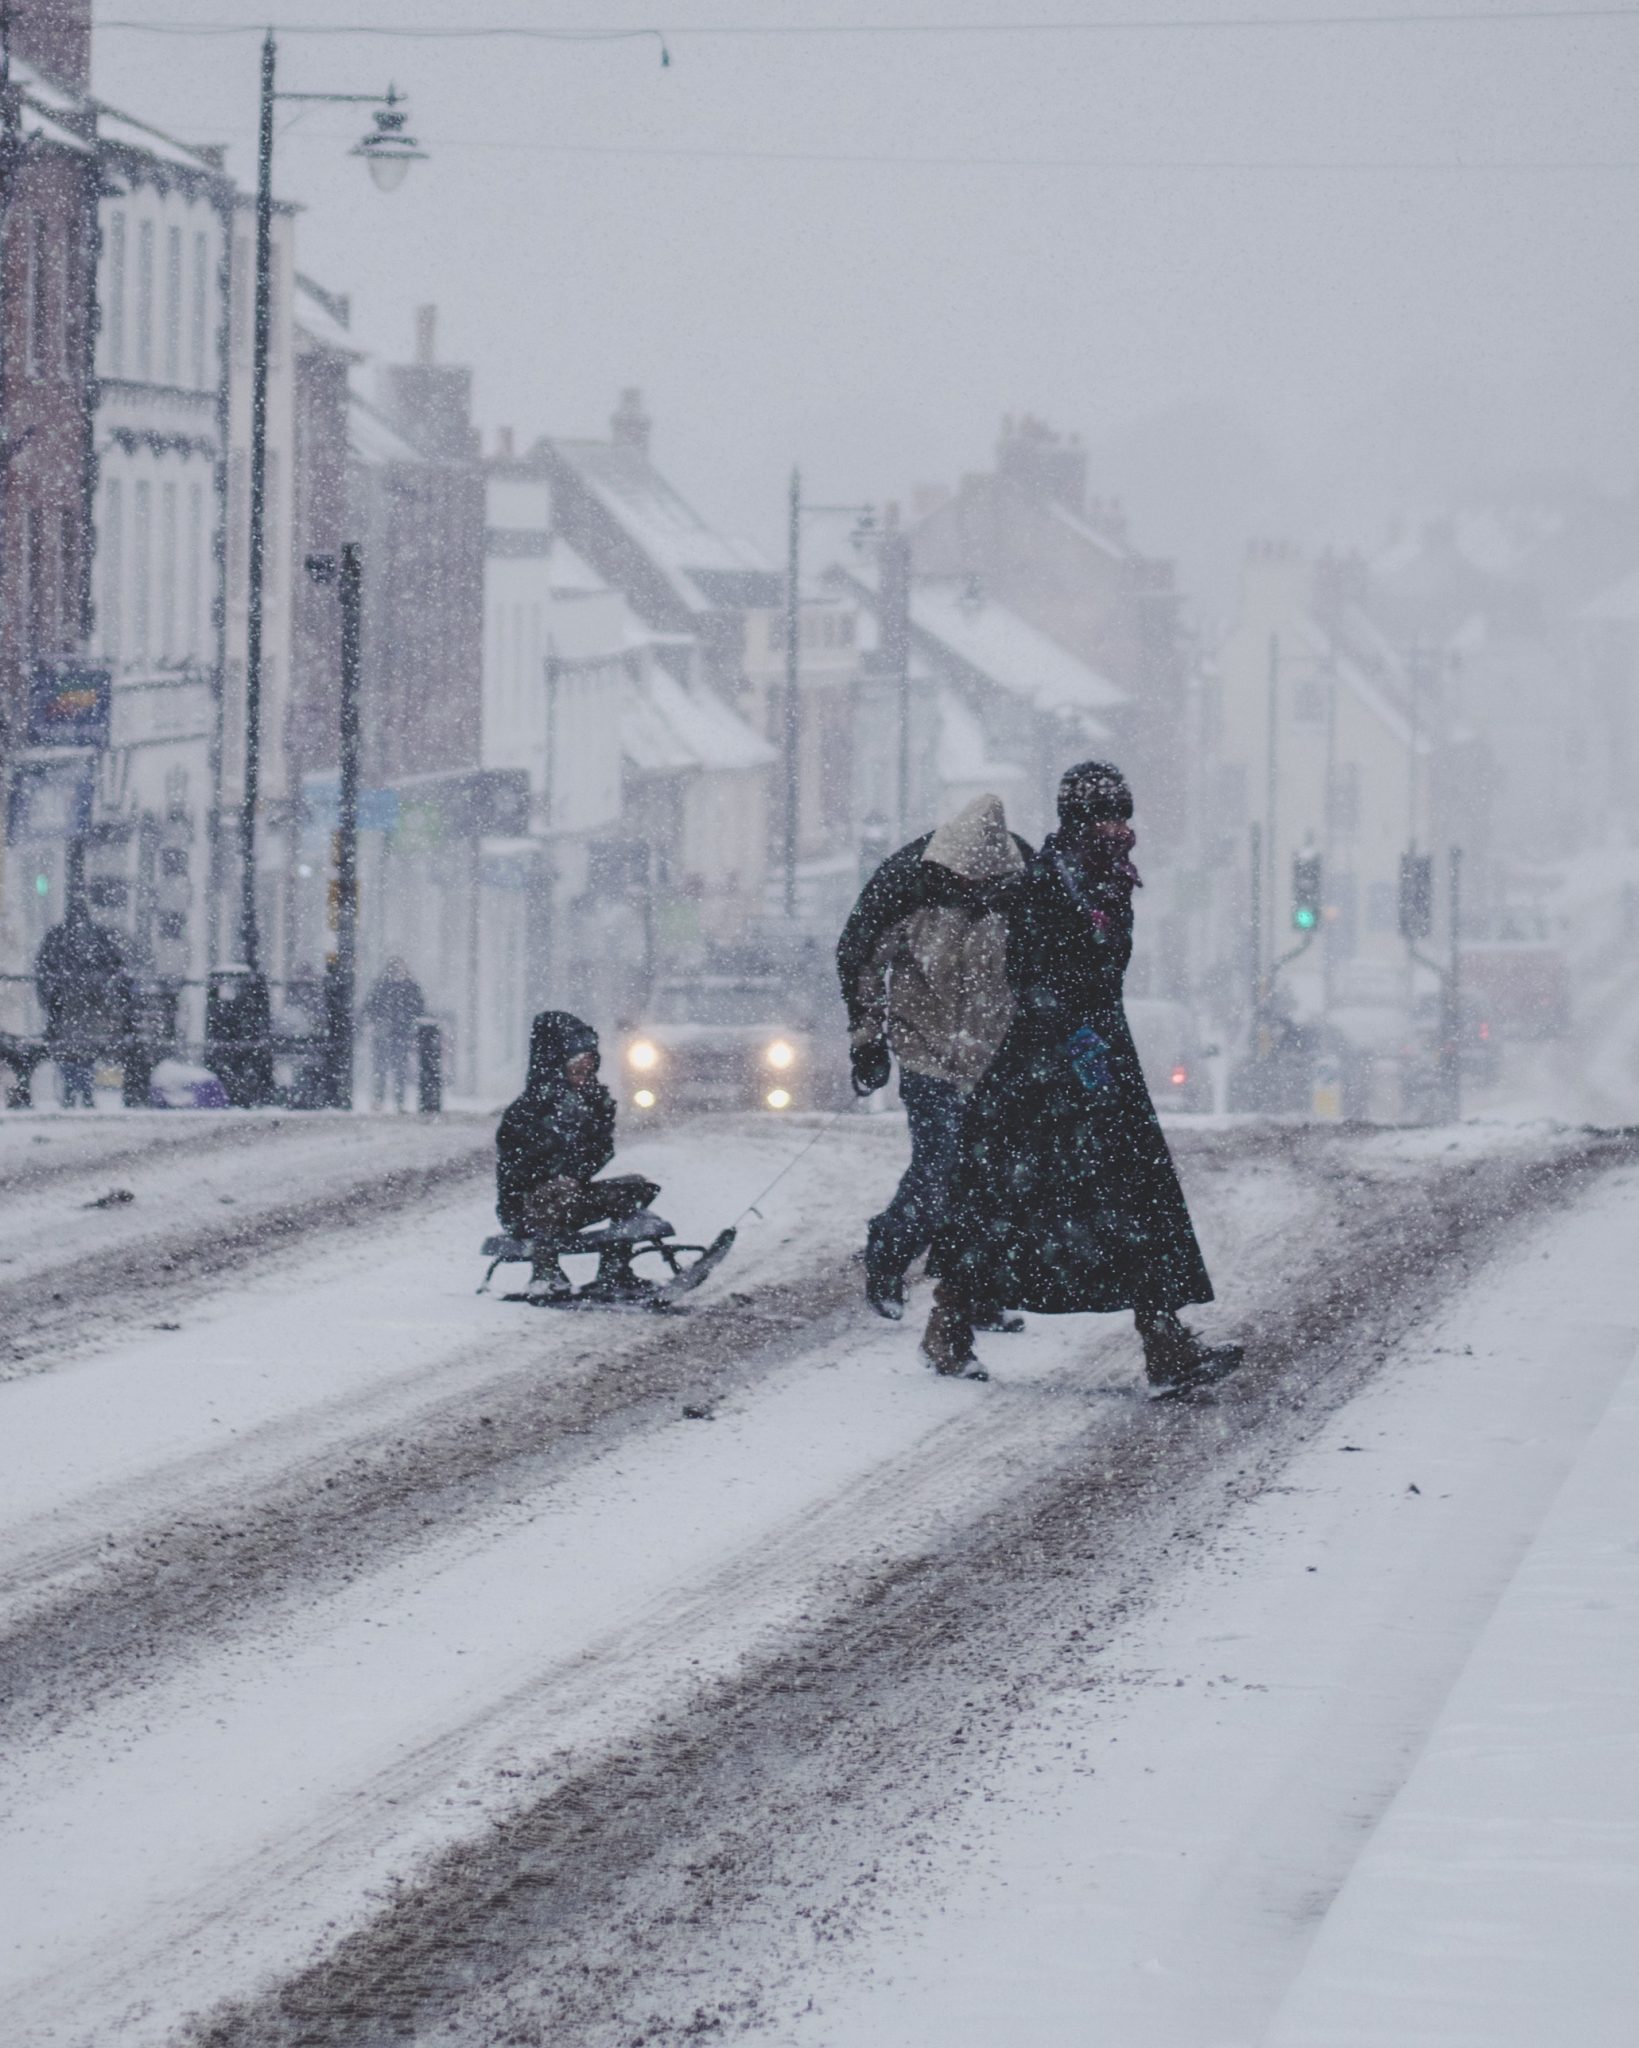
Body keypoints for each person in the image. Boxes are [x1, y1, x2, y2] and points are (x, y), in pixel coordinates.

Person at [924, 761, 1241, 1391]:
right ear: (1076, 822)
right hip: (1039, 1069)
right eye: (1103, 816)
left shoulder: (1110, 884)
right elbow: (1030, 976)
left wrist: (1093, 1045)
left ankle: (1165, 1341)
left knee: (1136, 1204)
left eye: (1122, 815)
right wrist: (1071, 1034)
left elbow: (1103, 977)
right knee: (1003, 1202)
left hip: (1100, 1066)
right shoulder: (1045, 884)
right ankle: (950, 1322)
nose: (1118, 829)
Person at [837, 793, 1031, 1321]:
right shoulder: (906, 887)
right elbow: (862, 963)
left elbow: (1045, 969)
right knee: (939, 1170)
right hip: (926, 1050)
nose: (969, 890)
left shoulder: (1022, 889)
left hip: (993, 1056)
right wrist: (868, 1040)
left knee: (993, 1178)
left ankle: (976, 1294)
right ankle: (889, 1254)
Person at [496, 1010, 661, 1303]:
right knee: (554, 1195)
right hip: (526, 1207)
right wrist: (554, 1177)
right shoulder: (528, 1110)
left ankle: (615, 1270)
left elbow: (597, 1153)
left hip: (569, 1197)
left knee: (634, 1188)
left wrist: (597, 1122)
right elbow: (517, 1170)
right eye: (577, 1072)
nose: (584, 1079)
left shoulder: (590, 1102)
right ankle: (546, 1274)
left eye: (589, 1071)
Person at [34, 898, 130, 1109]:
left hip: (70, 1005)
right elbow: (117, 965)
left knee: (71, 1050)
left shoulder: (58, 936)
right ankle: (82, 1090)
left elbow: (43, 967)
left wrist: (51, 996)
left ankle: (74, 1091)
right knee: (84, 1050)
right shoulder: (99, 938)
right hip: (89, 1005)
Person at [362, 957, 426, 1111]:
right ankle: (381, 1100)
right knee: (382, 1069)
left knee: (398, 1069)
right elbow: (370, 1007)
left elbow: (418, 1008)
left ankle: (397, 1101)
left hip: (399, 1033)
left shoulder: (404, 988)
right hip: (387, 1033)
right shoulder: (385, 987)